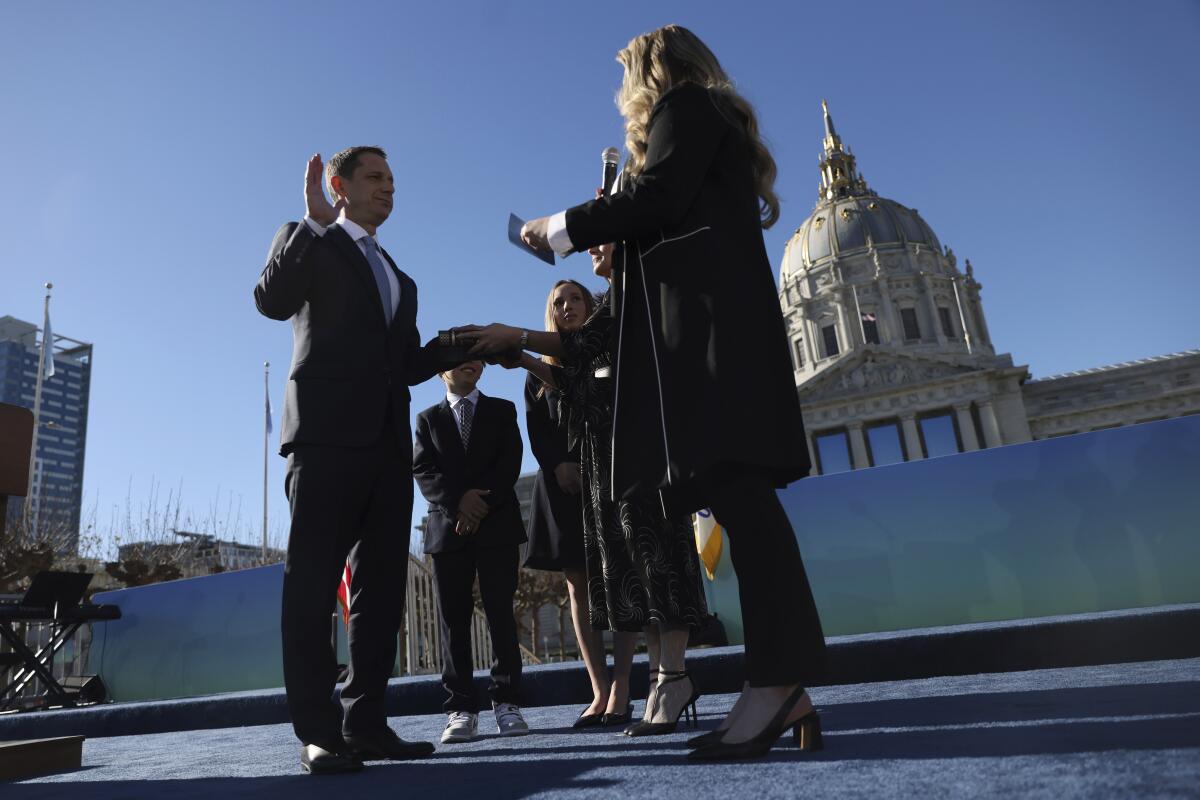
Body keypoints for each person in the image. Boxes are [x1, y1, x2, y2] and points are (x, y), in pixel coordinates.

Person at [468, 24, 829, 761]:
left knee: (747, 509)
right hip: (712, 337)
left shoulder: (685, 107)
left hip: (709, 341)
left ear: (649, 73)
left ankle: (778, 682)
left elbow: (659, 197)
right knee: (746, 507)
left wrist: (558, 229)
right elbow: (667, 215)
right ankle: (780, 684)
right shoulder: (706, 117)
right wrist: (619, 240)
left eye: (624, 77)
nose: (621, 97)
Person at [468, 234, 709, 738]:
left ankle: (672, 676)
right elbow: (579, 385)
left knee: (660, 559)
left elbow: (579, 349)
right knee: (637, 569)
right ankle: (667, 679)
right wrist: (529, 362)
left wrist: (517, 337)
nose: (592, 252)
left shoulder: (627, 294)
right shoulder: (612, 299)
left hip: (641, 451)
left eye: (600, 244)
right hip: (611, 458)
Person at [254, 146, 439, 774]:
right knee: (310, 587)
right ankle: (318, 732)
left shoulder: (399, 276)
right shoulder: (310, 238)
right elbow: (272, 300)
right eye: (375, 177)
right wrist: (311, 224)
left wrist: (466, 344)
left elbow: (406, 364)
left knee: (381, 596)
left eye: (393, 178)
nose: (389, 187)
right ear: (339, 185)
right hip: (324, 440)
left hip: (389, 450)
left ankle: (366, 725)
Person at [522, 279, 638, 729]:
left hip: (608, 478)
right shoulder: (536, 373)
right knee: (578, 586)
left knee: (621, 577)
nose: (567, 306)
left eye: (575, 298)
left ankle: (624, 686)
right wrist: (558, 464)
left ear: (591, 306)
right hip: (563, 487)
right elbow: (538, 429)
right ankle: (599, 689)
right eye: (558, 303)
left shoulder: (608, 354)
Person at [413, 360, 530, 743]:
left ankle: (507, 702)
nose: (471, 363)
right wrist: (457, 504)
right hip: (448, 530)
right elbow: (425, 470)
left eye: (477, 358)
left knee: (500, 614)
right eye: (461, 357)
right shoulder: (427, 419)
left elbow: (509, 461)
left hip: (497, 525)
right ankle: (460, 708)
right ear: (441, 371)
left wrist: (479, 505)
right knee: (453, 620)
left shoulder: (502, 410)